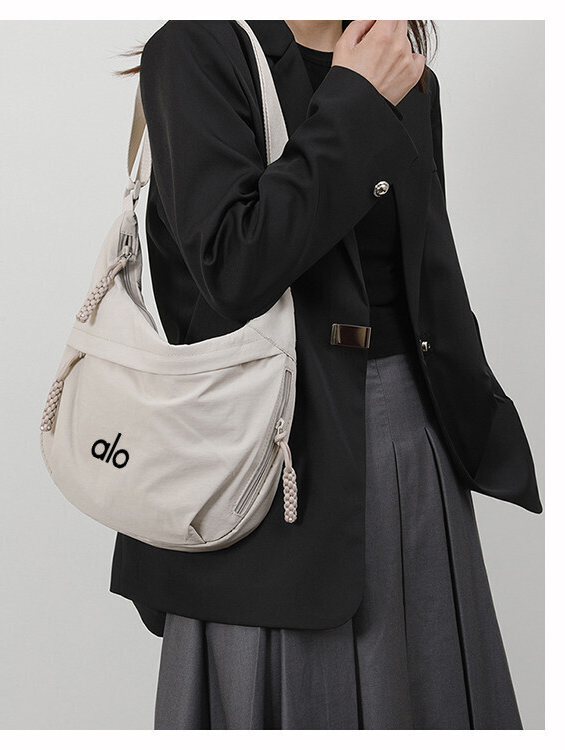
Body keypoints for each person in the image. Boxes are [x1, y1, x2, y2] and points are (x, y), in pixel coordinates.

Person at [109, 20, 542, 730]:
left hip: (411, 453)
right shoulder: (196, 50)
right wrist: (353, 99)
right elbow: (234, 266)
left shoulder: (399, 62)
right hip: (261, 464)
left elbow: (424, 274)